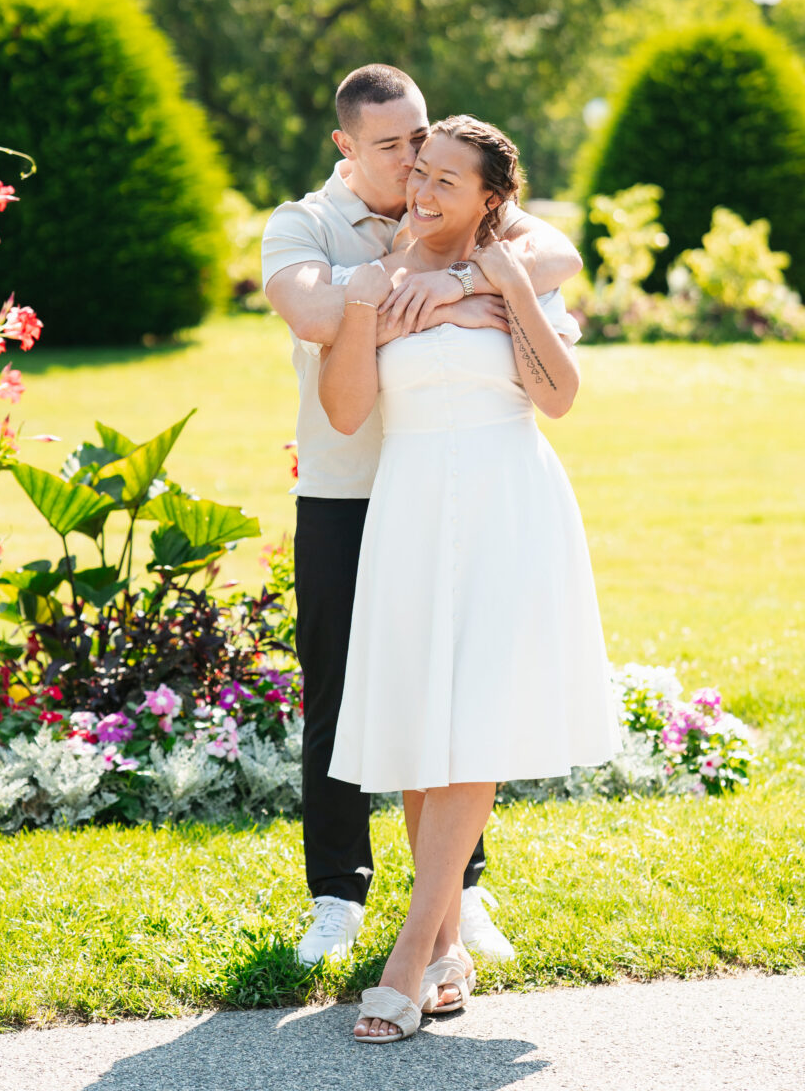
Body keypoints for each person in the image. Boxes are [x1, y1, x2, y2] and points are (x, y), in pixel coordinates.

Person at [261, 65, 583, 967]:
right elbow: (317, 312)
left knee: (457, 694)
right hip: (347, 487)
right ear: (347, 147)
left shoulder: (458, 203)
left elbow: (554, 254)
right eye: (394, 146)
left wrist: (462, 284)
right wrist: (408, 279)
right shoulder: (304, 225)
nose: (413, 161)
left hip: (459, 487)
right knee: (342, 696)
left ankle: (456, 901)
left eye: (422, 139)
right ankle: (337, 895)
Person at [316, 115, 621, 1043]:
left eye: (450, 180)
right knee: (418, 734)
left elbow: (560, 396)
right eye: (422, 173)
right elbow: (342, 413)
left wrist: (498, 291)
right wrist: (375, 305)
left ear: (493, 197)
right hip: (411, 507)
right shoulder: (376, 277)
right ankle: (448, 949)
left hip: (507, 507)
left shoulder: (515, 264)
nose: (425, 190)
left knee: (470, 727)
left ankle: (407, 958)